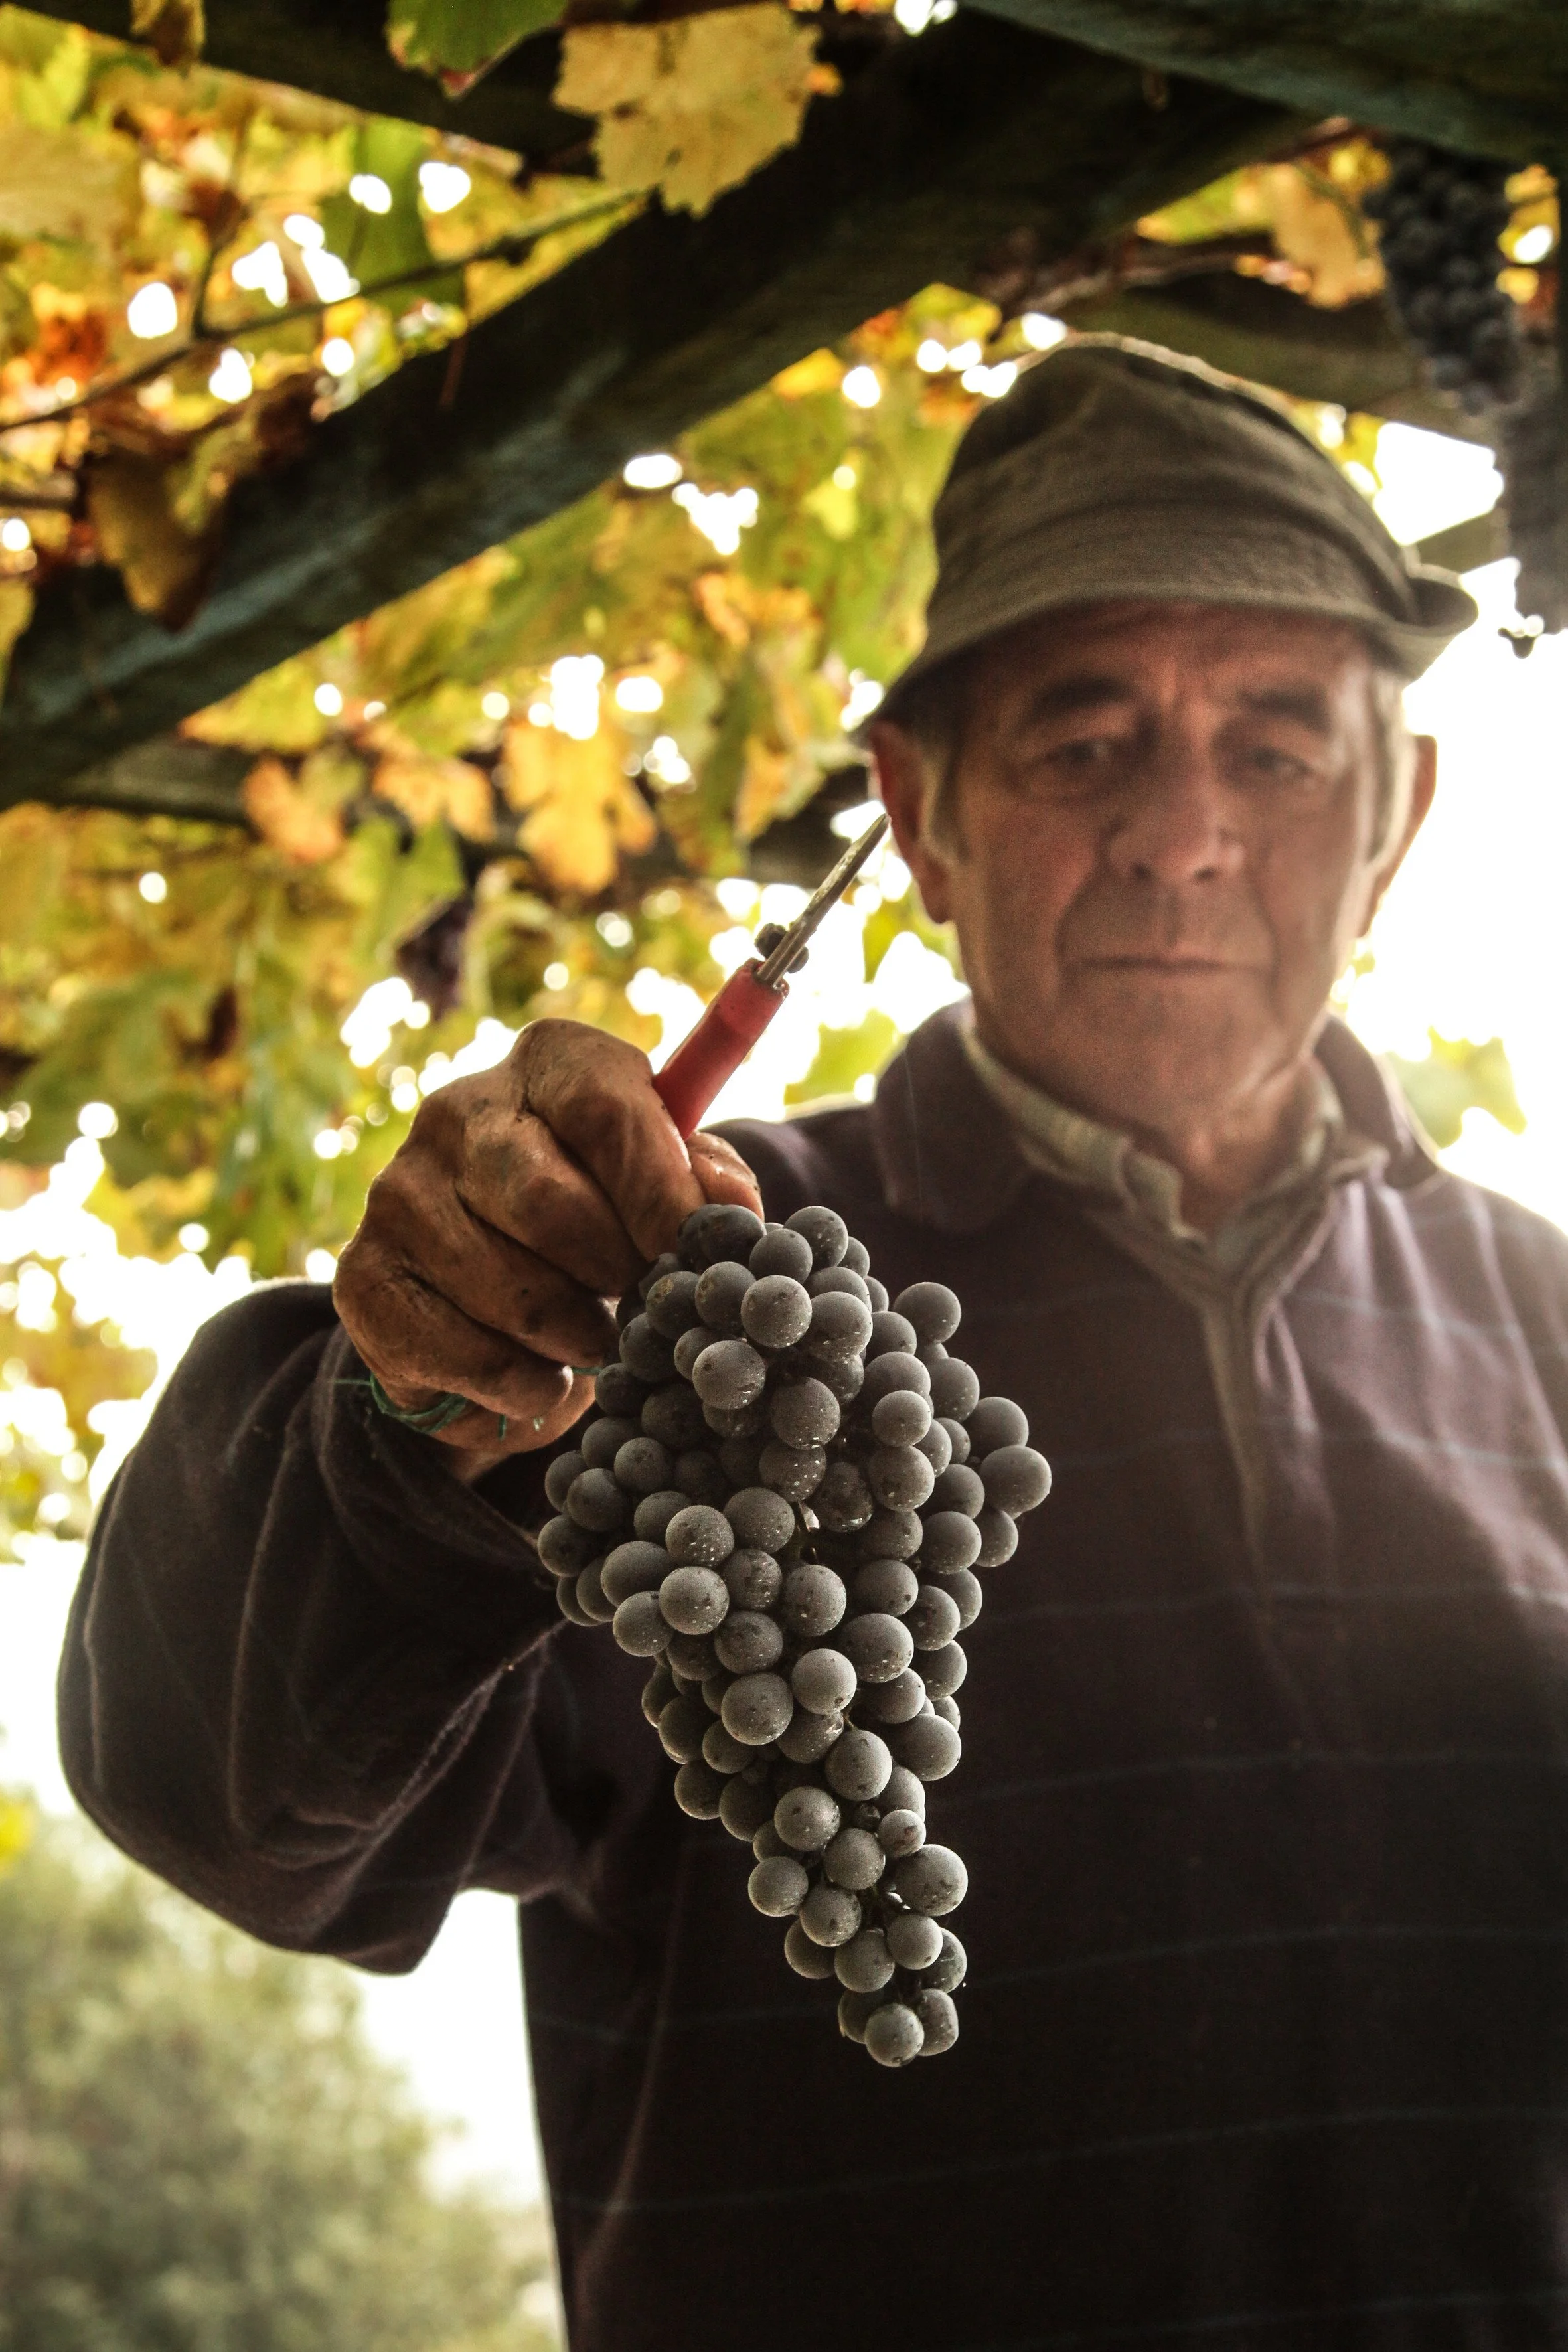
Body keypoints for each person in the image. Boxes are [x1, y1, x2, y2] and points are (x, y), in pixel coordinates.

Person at [58, 337, 1568, 2349]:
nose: (1183, 833)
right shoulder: (673, 1307)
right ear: (918, 821)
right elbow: (226, 1797)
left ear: (1399, 819)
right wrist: (420, 1410)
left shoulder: (1545, 1321)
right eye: (1085, 740)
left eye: (1280, 745)